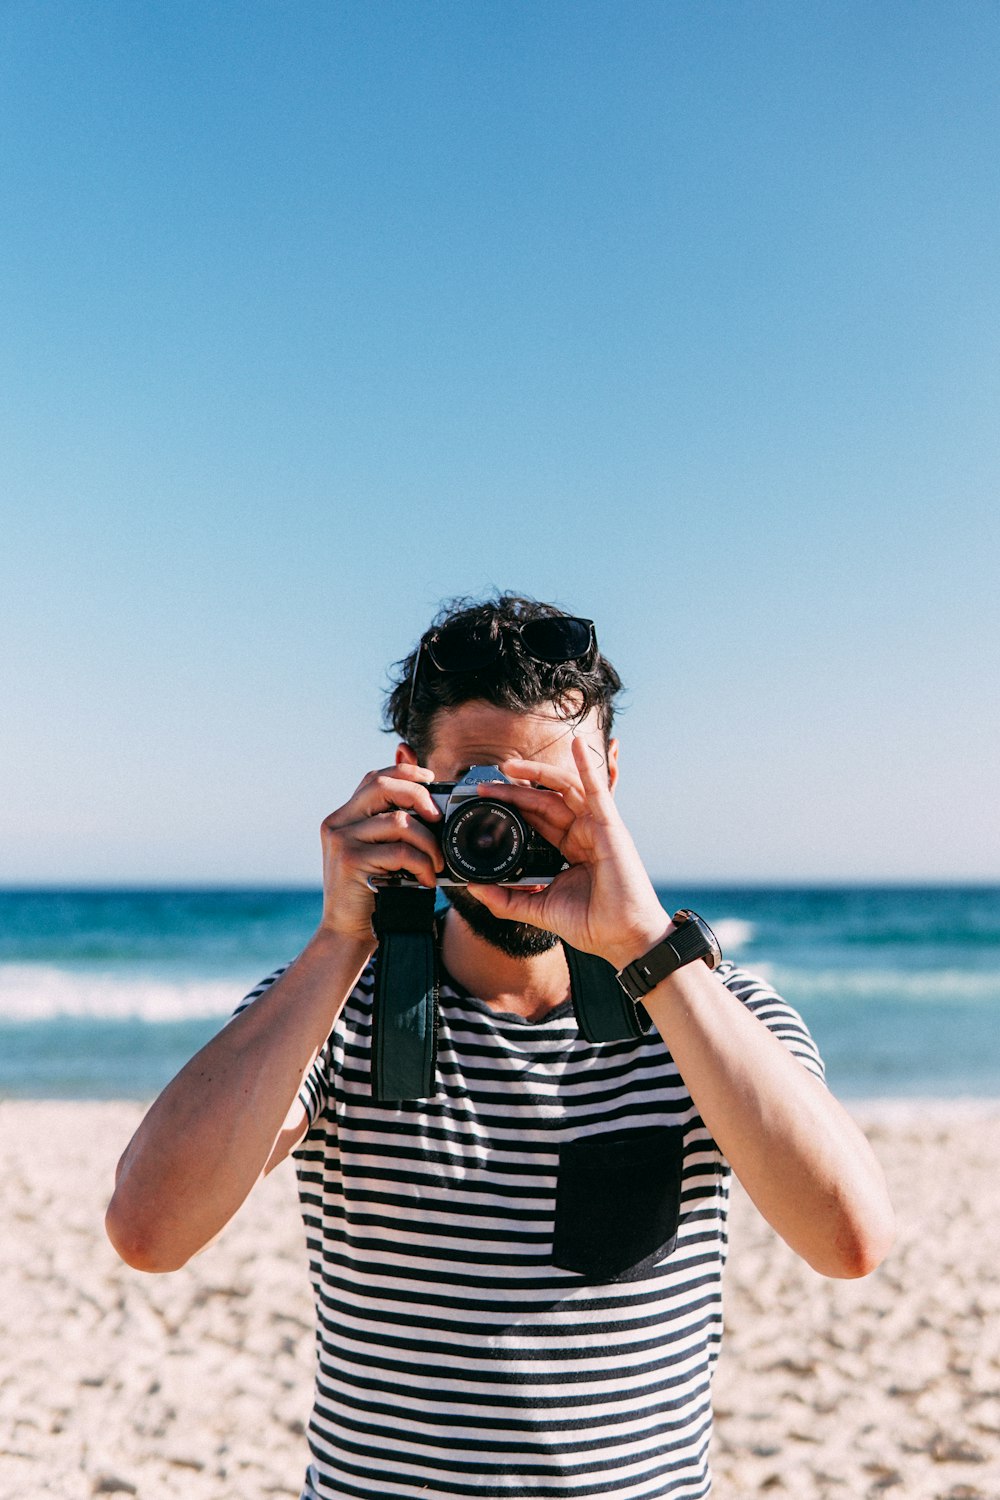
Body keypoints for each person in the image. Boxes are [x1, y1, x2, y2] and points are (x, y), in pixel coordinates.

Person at [106, 592, 894, 1500]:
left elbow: (850, 1242)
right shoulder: (335, 1011)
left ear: (609, 774)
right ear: (412, 786)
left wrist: (648, 953)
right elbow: (149, 1232)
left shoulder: (716, 1016)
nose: (513, 831)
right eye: (480, 790)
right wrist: (340, 941)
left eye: (548, 789)